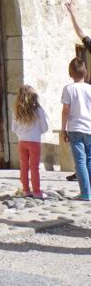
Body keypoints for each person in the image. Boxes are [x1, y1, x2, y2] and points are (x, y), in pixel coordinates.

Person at [61, 57, 91, 201]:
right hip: (89, 128)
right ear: (85, 73)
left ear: (70, 73)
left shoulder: (68, 89)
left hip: (75, 128)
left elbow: (66, 110)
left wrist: (63, 129)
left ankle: (85, 192)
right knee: (90, 160)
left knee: (80, 161)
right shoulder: (90, 89)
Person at [12, 85, 49, 198]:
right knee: (34, 167)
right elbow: (45, 127)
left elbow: (14, 128)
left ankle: (26, 190)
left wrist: (21, 134)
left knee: (24, 167)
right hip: (34, 141)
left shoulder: (16, 110)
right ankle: (37, 191)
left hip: (22, 141)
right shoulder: (38, 110)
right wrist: (38, 132)